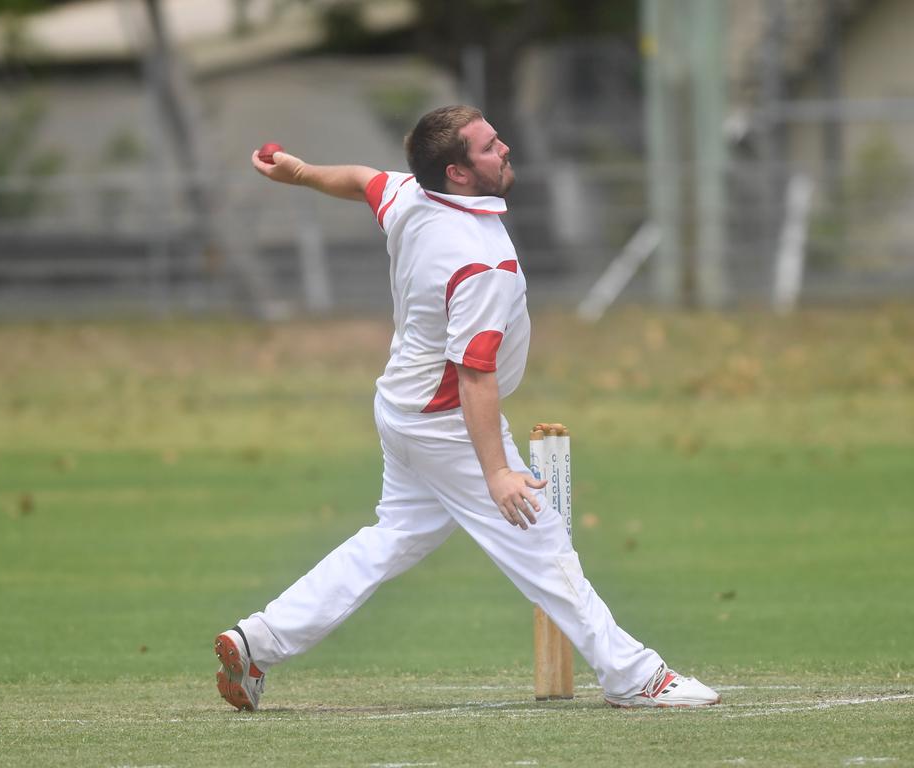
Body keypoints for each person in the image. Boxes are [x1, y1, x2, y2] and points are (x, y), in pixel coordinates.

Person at [215, 105, 721, 711]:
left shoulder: (410, 195)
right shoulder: (480, 261)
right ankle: (636, 678)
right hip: (447, 423)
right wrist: (497, 473)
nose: (504, 148)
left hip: (402, 408)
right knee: (543, 543)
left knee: (392, 539)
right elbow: (475, 376)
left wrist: (300, 173)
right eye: (487, 147)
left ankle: (259, 640)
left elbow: (359, 179)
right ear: (456, 172)